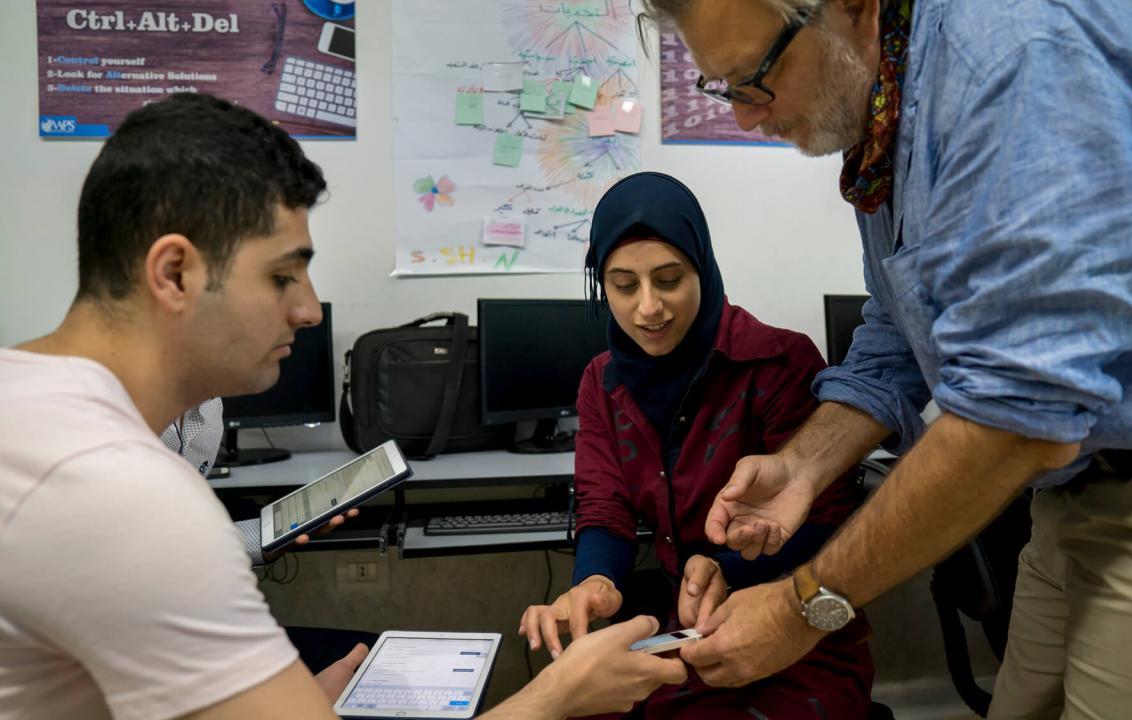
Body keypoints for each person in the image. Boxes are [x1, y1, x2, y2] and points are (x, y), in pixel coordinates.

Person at [639, 1, 1132, 718]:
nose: (748, 118)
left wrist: (800, 610)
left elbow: (1019, 415)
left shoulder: (1012, 57)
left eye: (754, 78)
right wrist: (803, 466)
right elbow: (900, 330)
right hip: (1080, 489)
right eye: (723, 90)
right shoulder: (887, 109)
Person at [0, 93, 684, 720]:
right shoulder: (126, 494)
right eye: (282, 274)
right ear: (175, 273)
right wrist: (553, 698)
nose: (307, 309)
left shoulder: (27, 399)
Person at [518, 172, 874, 719]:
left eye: (668, 279)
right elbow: (604, 508)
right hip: (682, 632)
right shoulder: (601, 382)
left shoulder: (778, 362)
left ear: (702, 267)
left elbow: (830, 520)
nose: (648, 308)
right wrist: (593, 582)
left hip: (793, 624)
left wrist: (732, 567)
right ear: (600, 285)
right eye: (623, 284)